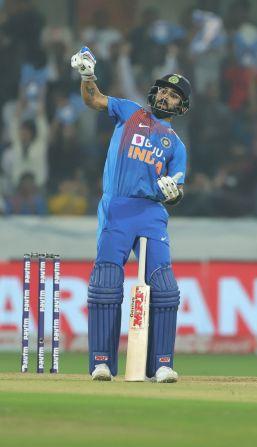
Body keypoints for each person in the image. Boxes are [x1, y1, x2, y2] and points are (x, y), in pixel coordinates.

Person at [71, 46, 190, 383]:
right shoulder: (130, 111)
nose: (165, 97)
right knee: (107, 282)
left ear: (181, 107)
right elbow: (93, 100)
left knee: (165, 287)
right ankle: (102, 362)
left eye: (173, 95)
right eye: (163, 90)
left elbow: (178, 190)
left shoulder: (176, 146)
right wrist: (87, 75)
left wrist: (173, 193)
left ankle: (161, 364)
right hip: (118, 208)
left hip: (152, 213)